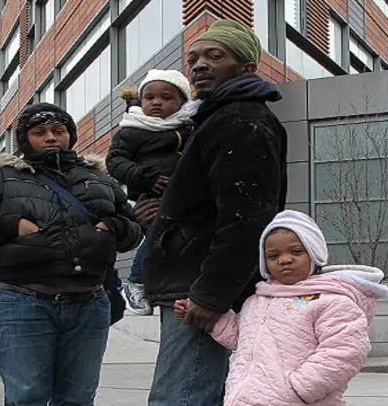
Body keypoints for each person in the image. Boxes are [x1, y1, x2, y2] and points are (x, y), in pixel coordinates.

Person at [0, 103, 142, 405]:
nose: (50, 137)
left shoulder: (100, 179)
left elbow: (134, 228)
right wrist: (10, 223)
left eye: (58, 130)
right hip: (22, 303)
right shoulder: (2, 178)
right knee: (27, 397)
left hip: (89, 303)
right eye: (39, 132)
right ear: (25, 139)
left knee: (78, 398)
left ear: (70, 135)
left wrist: (114, 226)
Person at [141, 19, 288, 405]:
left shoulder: (241, 119)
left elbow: (247, 218)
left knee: (179, 398)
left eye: (214, 56)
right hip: (192, 283)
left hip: (197, 288)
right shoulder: (215, 119)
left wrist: (211, 295)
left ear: (246, 67)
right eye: (193, 59)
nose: (199, 65)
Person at [174, 210, 388, 405]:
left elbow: (345, 351)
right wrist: (209, 318)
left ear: (314, 254)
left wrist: (300, 388)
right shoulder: (257, 300)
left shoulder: (332, 301)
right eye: (273, 255)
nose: (285, 260)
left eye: (296, 251)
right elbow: (241, 337)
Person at [106, 69, 193, 316]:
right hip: (151, 196)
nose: (156, 102)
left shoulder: (189, 127)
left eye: (167, 98)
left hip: (183, 196)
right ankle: (136, 281)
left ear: (182, 102)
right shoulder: (132, 129)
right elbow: (115, 162)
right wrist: (144, 177)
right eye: (150, 97)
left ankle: (158, 283)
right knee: (159, 233)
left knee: (175, 241)